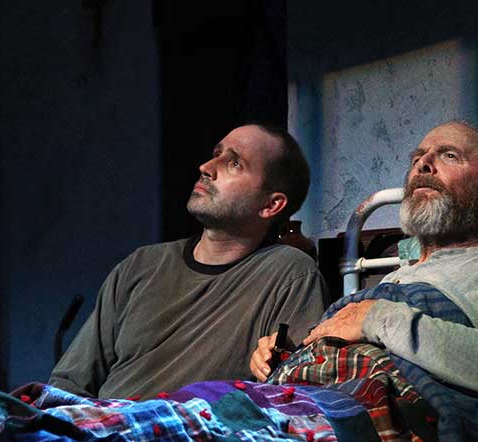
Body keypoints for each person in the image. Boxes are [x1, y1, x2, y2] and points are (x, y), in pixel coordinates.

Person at [251, 120, 478, 414]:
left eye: (449, 155)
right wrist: (290, 357)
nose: (422, 164)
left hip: (377, 415)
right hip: (317, 403)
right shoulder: (394, 278)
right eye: (417, 158)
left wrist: (376, 318)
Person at [50, 123, 328, 399]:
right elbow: (69, 383)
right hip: (105, 422)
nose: (206, 167)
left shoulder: (289, 274)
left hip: (193, 425)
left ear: (271, 205)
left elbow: (294, 394)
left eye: (235, 163)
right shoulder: (141, 265)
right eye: (216, 154)